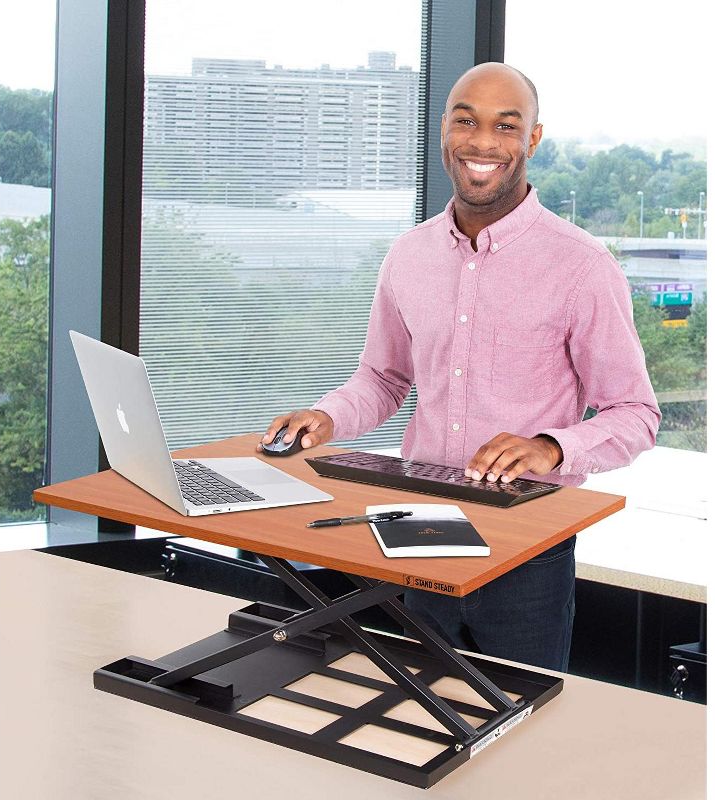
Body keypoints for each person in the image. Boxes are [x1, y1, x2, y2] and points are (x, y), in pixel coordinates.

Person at [257, 62, 660, 671]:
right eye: (466, 121)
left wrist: (550, 447)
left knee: (518, 719)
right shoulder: (408, 254)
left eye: (506, 125)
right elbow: (384, 378)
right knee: (411, 713)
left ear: (533, 139)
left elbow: (637, 415)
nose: (482, 142)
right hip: (416, 524)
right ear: (444, 129)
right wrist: (326, 416)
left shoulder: (582, 266)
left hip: (525, 544)